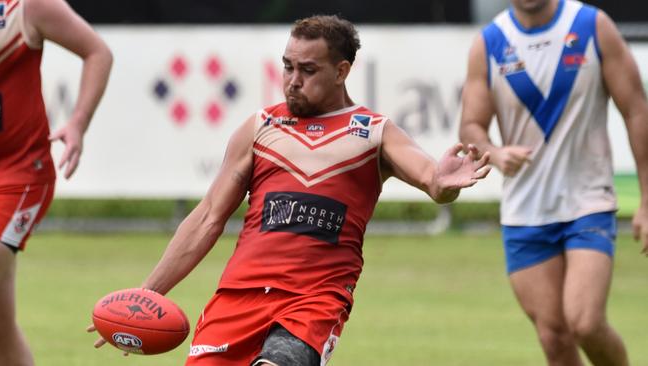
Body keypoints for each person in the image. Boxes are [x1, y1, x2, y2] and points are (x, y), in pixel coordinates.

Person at [89, 15, 489, 365]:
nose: (293, 81)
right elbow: (208, 217)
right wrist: (144, 297)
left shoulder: (373, 132)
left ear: (342, 71)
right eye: (287, 67)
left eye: (308, 70)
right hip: (238, 296)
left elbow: (431, 179)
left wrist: (443, 182)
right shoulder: (260, 128)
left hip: (313, 300)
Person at [459, 0, 648, 365]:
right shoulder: (491, 42)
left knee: (585, 322)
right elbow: (471, 125)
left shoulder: (592, 25)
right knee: (554, 337)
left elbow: (636, 109)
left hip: (588, 201)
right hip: (524, 210)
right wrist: (494, 152)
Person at [0, 0, 112, 364]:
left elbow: (98, 52)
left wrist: (77, 123)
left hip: (21, 174)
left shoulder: (28, 6)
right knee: (0, 326)